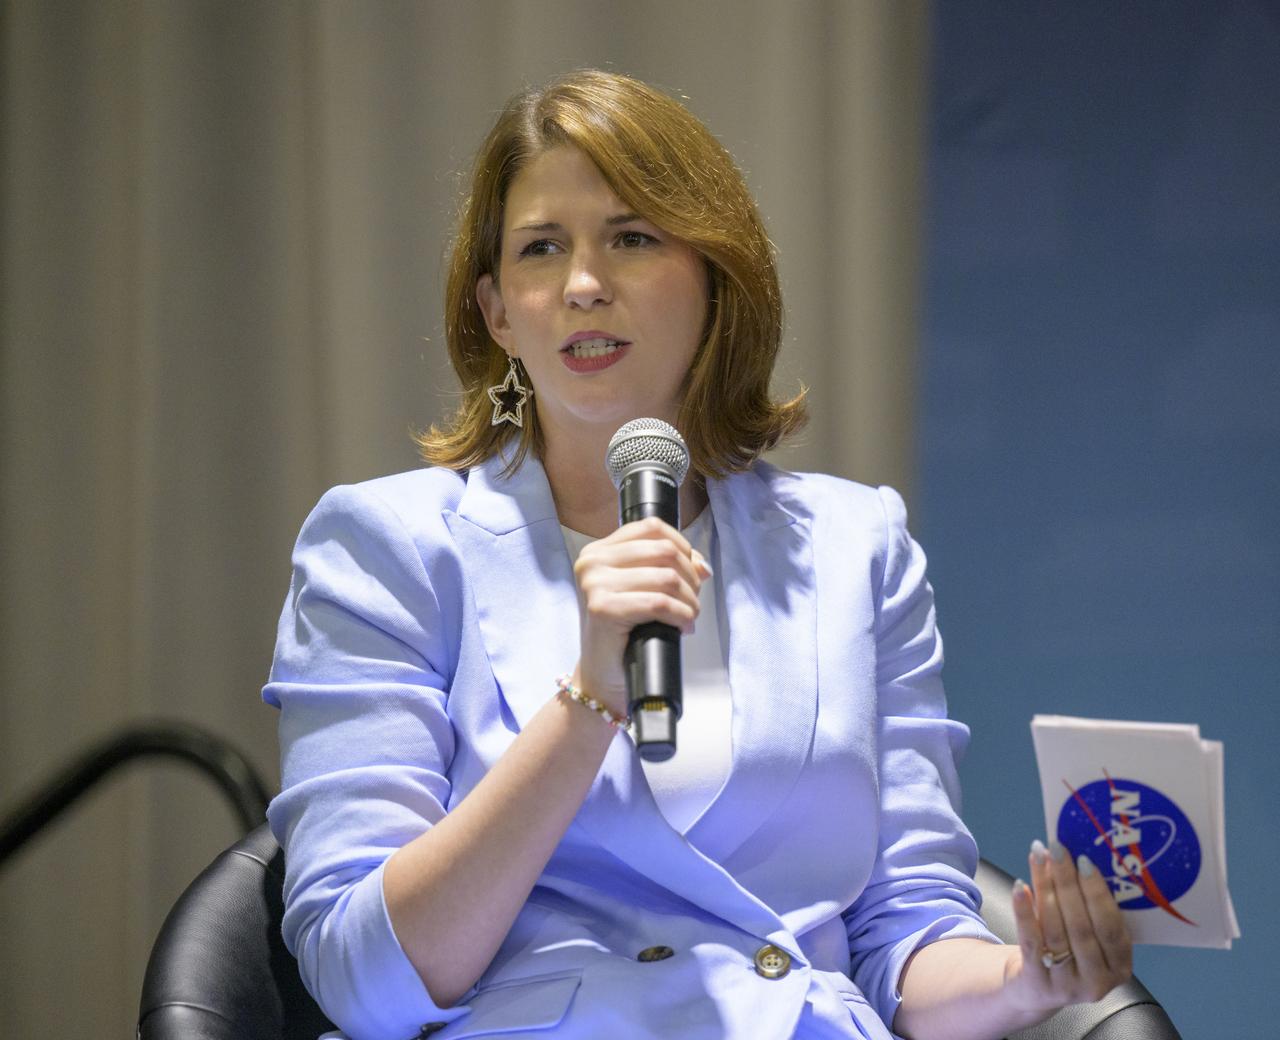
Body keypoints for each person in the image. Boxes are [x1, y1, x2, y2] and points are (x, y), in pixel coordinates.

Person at [263, 70, 1132, 1040]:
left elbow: (903, 933)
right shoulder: (384, 547)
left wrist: (1024, 976)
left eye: (630, 238)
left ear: (716, 278)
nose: (583, 284)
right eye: (541, 248)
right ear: (498, 311)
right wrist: (589, 698)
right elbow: (364, 981)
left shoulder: (855, 548)